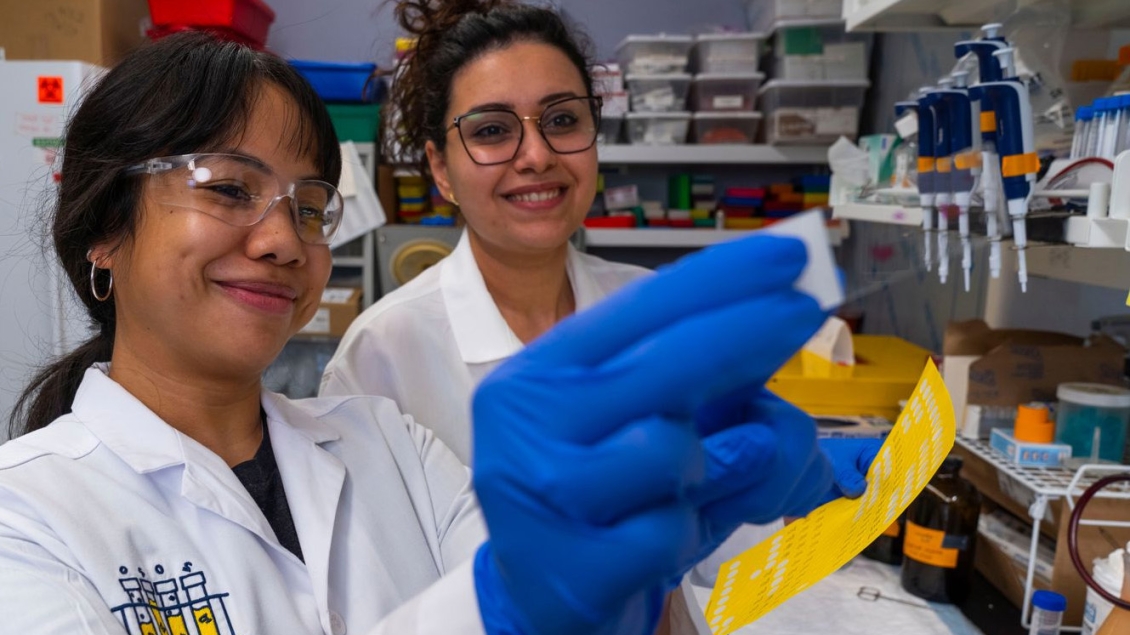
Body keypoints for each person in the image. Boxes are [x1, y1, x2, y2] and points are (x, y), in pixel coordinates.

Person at [0, 30, 841, 635]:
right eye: (227, 188)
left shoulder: (388, 442)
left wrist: (627, 590)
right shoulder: (25, 517)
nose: (285, 240)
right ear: (105, 227)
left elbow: (547, 588)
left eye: (309, 207)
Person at [318, 0, 879, 585]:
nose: (536, 156)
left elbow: (711, 542)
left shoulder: (647, 304)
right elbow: (376, 597)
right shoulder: (380, 356)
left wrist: (785, 503)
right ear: (440, 169)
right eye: (491, 130)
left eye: (562, 120)